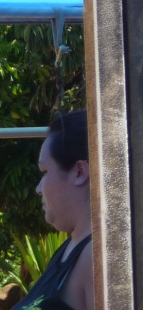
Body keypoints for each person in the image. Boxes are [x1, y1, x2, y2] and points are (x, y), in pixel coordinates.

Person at [15, 110, 94, 310]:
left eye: (45, 171)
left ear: (80, 172)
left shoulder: (96, 257)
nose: (38, 188)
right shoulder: (70, 248)